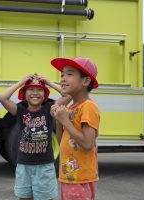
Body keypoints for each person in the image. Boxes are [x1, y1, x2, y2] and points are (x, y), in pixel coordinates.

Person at [0, 73, 71, 200]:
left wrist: (49, 82)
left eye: (39, 90)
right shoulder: (20, 110)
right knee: (24, 197)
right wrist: (21, 83)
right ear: (25, 94)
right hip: (23, 166)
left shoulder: (50, 109)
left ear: (44, 95)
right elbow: (2, 98)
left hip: (45, 166)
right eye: (31, 89)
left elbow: (68, 95)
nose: (35, 93)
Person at [50, 57, 100, 200]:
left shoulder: (89, 107)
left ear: (85, 81)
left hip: (81, 179)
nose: (63, 79)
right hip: (68, 176)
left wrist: (65, 120)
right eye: (62, 75)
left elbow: (87, 144)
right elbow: (61, 142)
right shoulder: (72, 108)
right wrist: (59, 120)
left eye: (69, 74)